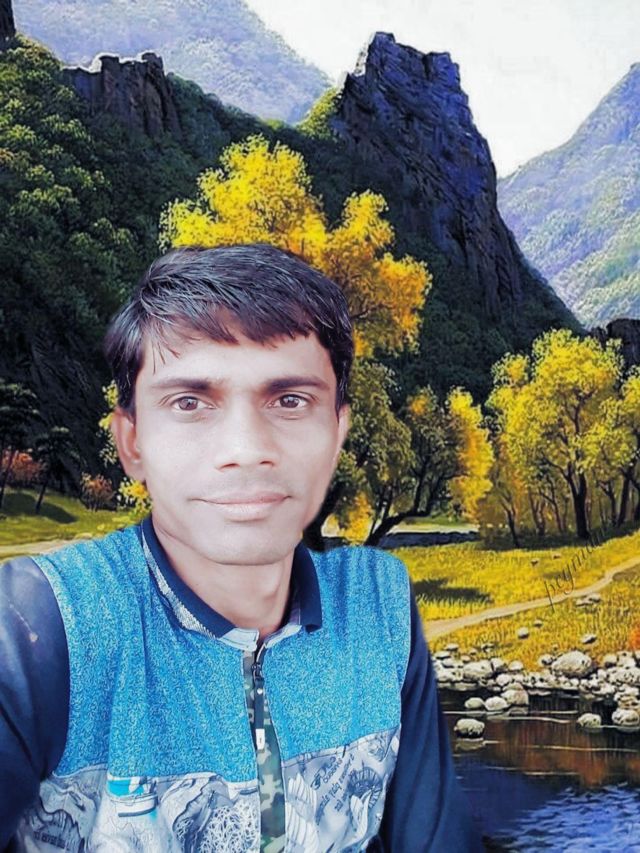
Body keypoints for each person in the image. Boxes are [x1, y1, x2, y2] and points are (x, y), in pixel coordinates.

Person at [0, 243, 484, 851]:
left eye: (290, 401)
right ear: (132, 444)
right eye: (190, 403)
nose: (247, 449)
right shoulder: (40, 626)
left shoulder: (377, 604)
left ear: (338, 432)